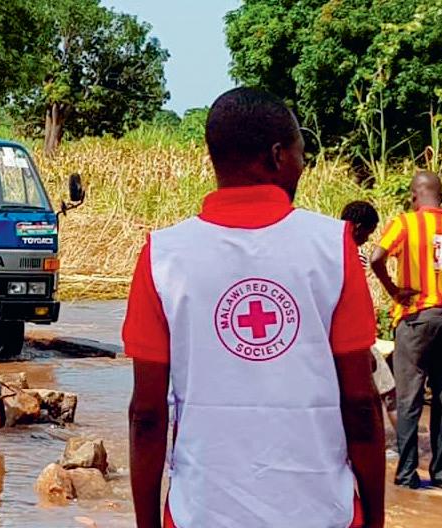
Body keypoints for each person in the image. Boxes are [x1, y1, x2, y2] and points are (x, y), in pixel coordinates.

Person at [125, 87, 384, 528]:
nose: (304, 164)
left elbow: (146, 416)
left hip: (200, 513)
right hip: (322, 512)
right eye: (302, 151)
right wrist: (375, 517)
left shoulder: (164, 255)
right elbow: (360, 402)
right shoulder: (333, 247)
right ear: (278, 155)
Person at [370, 170, 442, 490]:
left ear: (413, 195)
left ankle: (407, 472)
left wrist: (393, 290)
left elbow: (376, 257)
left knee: (409, 397)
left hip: (414, 318)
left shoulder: (404, 223)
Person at [340, 201, 399, 434]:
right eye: (369, 231)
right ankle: (406, 451)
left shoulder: (324, 244)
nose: (368, 237)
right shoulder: (354, 253)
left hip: (335, 335)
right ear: (358, 227)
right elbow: (354, 297)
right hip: (355, 336)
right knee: (387, 390)